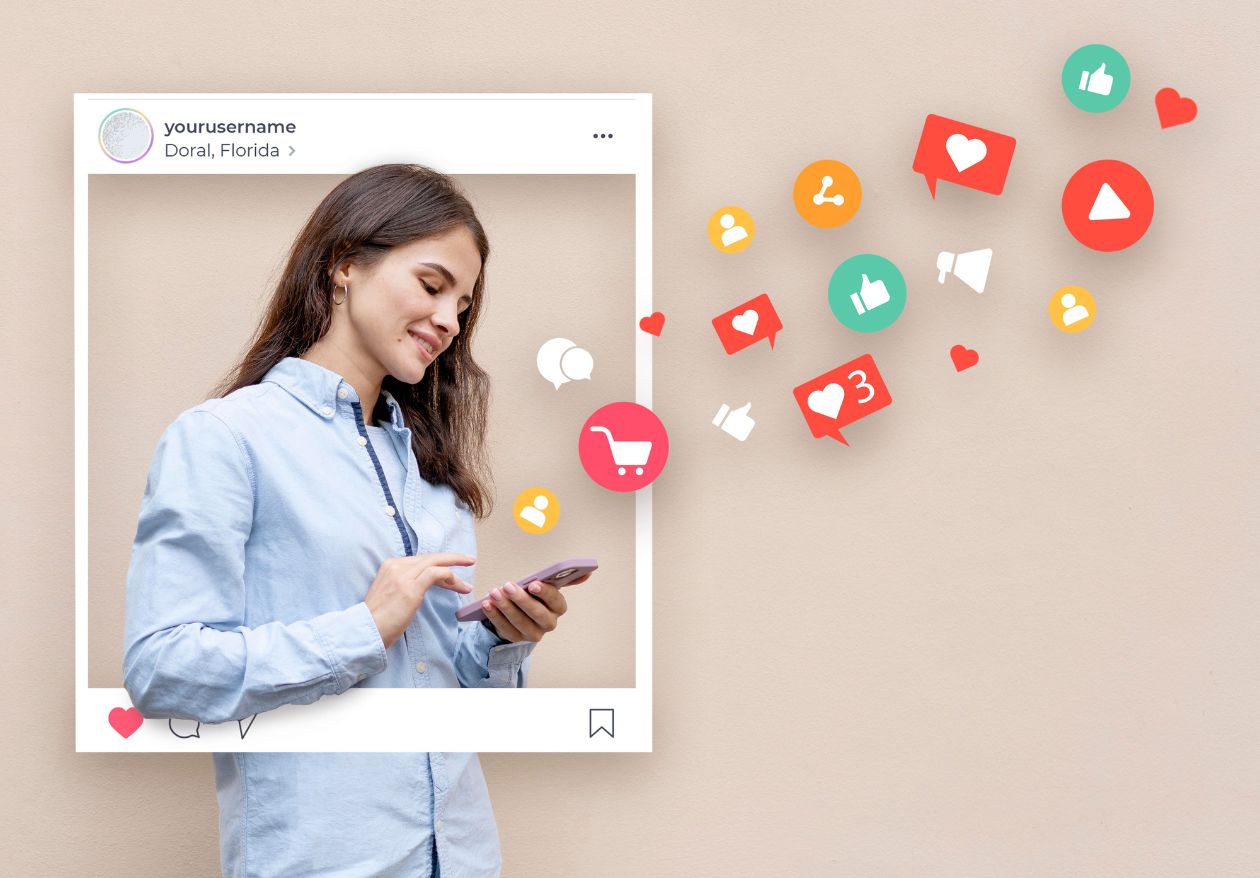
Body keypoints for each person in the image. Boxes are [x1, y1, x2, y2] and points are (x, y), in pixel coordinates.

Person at [122, 164, 589, 877]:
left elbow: (448, 696)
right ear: (344, 265)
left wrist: (502, 640)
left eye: (463, 304)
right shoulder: (226, 439)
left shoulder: (434, 477)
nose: (449, 320)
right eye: (432, 286)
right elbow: (162, 668)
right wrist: (363, 629)